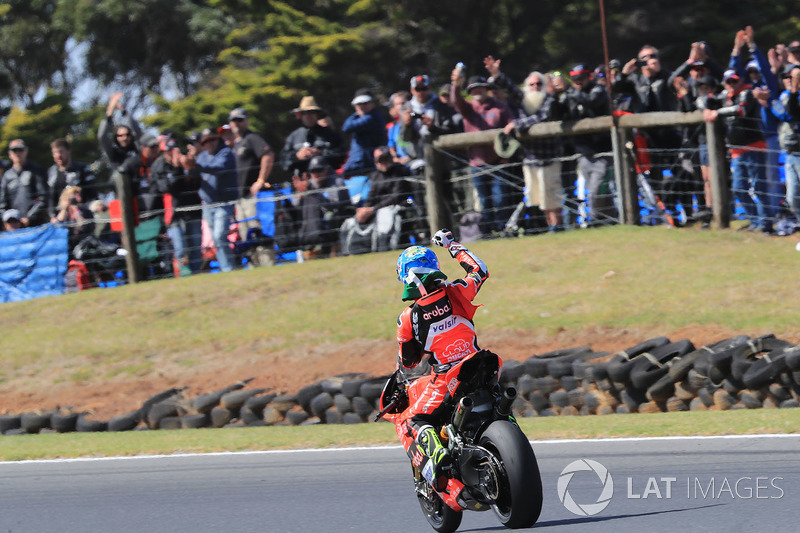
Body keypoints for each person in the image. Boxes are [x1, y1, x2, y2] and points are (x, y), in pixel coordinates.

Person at [393, 229, 490, 490]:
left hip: (446, 379)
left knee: (412, 419)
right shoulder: (457, 291)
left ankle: (436, 452)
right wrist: (451, 244)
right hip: (482, 362)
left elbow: (409, 362)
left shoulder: (407, 318)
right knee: (499, 396)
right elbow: (480, 270)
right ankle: (507, 422)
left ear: (404, 277)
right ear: (434, 267)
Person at [496, 67, 566, 232]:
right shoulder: (523, 100)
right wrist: (496, 74)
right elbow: (510, 88)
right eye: (532, 84)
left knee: (552, 199)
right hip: (530, 159)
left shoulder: (549, 100)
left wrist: (517, 124)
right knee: (539, 199)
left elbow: (543, 116)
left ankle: (558, 228)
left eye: (539, 84)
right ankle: (551, 228)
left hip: (549, 158)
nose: (535, 87)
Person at [703, 69, 768, 232]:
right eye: (728, 82)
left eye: (734, 81)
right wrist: (706, 108)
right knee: (739, 188)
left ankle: (764, 223)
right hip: (736, 150)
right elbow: (705, 100)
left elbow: (741, 110)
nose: (731, 85)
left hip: (753, 146)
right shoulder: (725, 95)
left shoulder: (747, 92)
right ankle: (754, 221)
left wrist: (716, 112)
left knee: (758, 187)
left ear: (740, 80)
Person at [450, 70, 513, 233]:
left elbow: (512, 126)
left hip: (499, 161)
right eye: (474, 90)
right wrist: (456, 85)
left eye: (480, 88)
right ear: (470, 92)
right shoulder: (468, 108)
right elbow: (456, 101)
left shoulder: (500, 106)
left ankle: (502, 228)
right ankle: (487, 230)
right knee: (484, 201)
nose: (478, 92)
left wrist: (507, 154)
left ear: (486, 89)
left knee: (500, 198)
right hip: (476, 163)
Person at [563, 64, 616, 225]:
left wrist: (570, 92)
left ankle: (594, 220)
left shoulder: (598, 90)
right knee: (600, 191)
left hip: (602, 151)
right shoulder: (571, 96)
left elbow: (591, 102)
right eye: (575, 79)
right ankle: (612, 218)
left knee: (596, 190)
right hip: (583, 151)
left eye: (581, 78)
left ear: (589, 77)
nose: (578, 82)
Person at [182, 127, 238, 272]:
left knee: (219, 236)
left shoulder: (226, 153)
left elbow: (218, 168)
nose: (210, 143)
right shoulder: (202, 157)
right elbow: (193, 173)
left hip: (224, 202)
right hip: (208, 204)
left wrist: (197, 165)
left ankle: (228, 268)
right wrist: (188, 164)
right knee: (215, 238)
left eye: (212, 140)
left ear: (218, 139)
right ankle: (226, 267)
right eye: (206, 141)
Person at [229, 106, 275, 262]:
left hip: (252, 196)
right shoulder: (235, 144)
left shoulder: (252, 138)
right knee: (245, 235)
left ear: (246, 121)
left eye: (240, 120)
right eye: (234, 121)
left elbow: (268, 155)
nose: (237, 124)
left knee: (257, 231)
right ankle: (254, 267)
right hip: (240, 198)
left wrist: (260, 180)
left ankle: (267, 264)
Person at [152, 137, 203, 274]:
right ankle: (184, 273)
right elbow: (167, 187)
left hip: (193, 209)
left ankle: (197, 273)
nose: (171, 153)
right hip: (173, 212)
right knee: (180, 247)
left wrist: (189, 168)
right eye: (168, 151)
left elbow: (196, 183)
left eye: (173, 150)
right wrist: (176, 169)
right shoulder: (159, 166)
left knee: (195, 245)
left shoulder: (186, 161)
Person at [291, 155, 351, 259]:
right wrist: (301, 195)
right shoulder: (309, 184)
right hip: (314, 223)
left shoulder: (336, 182)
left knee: (329, 216)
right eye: (313, 171)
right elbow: (295, 206)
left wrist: (314, 193)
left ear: (326, 169)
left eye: (320, 170)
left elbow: (334, 206)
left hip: (338, 219)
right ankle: (310, 250)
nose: (317, 174)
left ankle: (328, 251)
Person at [279, 96, 345, 176]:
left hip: (327, 180)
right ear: (300, 115)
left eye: (311, 112)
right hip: (303, 181)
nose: (308, 116)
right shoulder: (294, 136)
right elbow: (284, 160)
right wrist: (297, 156)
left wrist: (320, 153)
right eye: (305, 113)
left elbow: (341, 155)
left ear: (317, 114)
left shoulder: (329, 134)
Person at [0, 139, 48, 227]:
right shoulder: (7, 176)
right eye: (14, 150)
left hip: (35, 224)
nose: (17, 153)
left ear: (26, 151)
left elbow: (43, 198)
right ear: (10, 154)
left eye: (20, 150)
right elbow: (2, 203)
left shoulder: (36, 171)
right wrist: (9, 220)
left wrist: (28, 217)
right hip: (13, 226)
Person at [341, 88, 387, 177]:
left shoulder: (372, 118)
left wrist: (356, 114)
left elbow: (347, 127)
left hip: (368, 164)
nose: (362, 106)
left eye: (365, 103)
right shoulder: (359, 117)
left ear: (372, 103)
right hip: (358, 163)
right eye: (358, 104)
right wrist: (357, 114)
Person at [47, 138, 97, 219]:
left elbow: (92, 194)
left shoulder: (82, 169)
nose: (58, 156)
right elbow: (51, 198)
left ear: (69, 151)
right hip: (62, 217)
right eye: (55, 153)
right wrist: (52, 216)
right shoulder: (52, 172)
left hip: (83, 214)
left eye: (61, 151)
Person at [97, 92, 142, 169]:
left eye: (127, 135)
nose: (124, 138)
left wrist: (122, 110)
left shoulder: (136, 148)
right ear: (116, 137)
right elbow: (102, 136)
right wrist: (110, 112)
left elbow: (137, 131)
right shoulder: (113, 151)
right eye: (120, 136)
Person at [51, 185, 95, 255]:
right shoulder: (60, 212)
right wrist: (64, 208)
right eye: (74, 195)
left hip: (83, 244)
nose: (77, 197)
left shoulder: (86, 212)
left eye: (78, 194)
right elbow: (58, 225)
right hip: (66, 245)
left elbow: (83, 226)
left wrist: (75, 208)